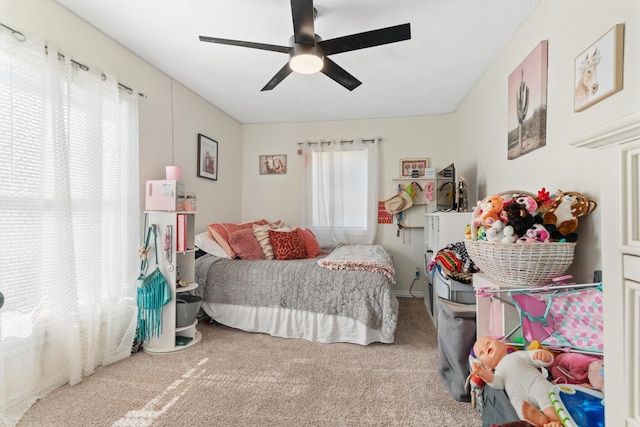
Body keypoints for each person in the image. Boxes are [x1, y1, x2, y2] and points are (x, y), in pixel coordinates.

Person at [471, 336, 562, 427]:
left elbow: (533, 357)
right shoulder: (498, 372)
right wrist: (484, 374)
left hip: (534, 383)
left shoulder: (518, 355)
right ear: (487, 366)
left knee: (546, 397)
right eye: (482, 353)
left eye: (488, 343)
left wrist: (544, 356)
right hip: (518, 396)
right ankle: (541, 422)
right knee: (521, 411)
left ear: (503, 344)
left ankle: (555, 421)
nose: (485, 348)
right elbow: (497, 383)